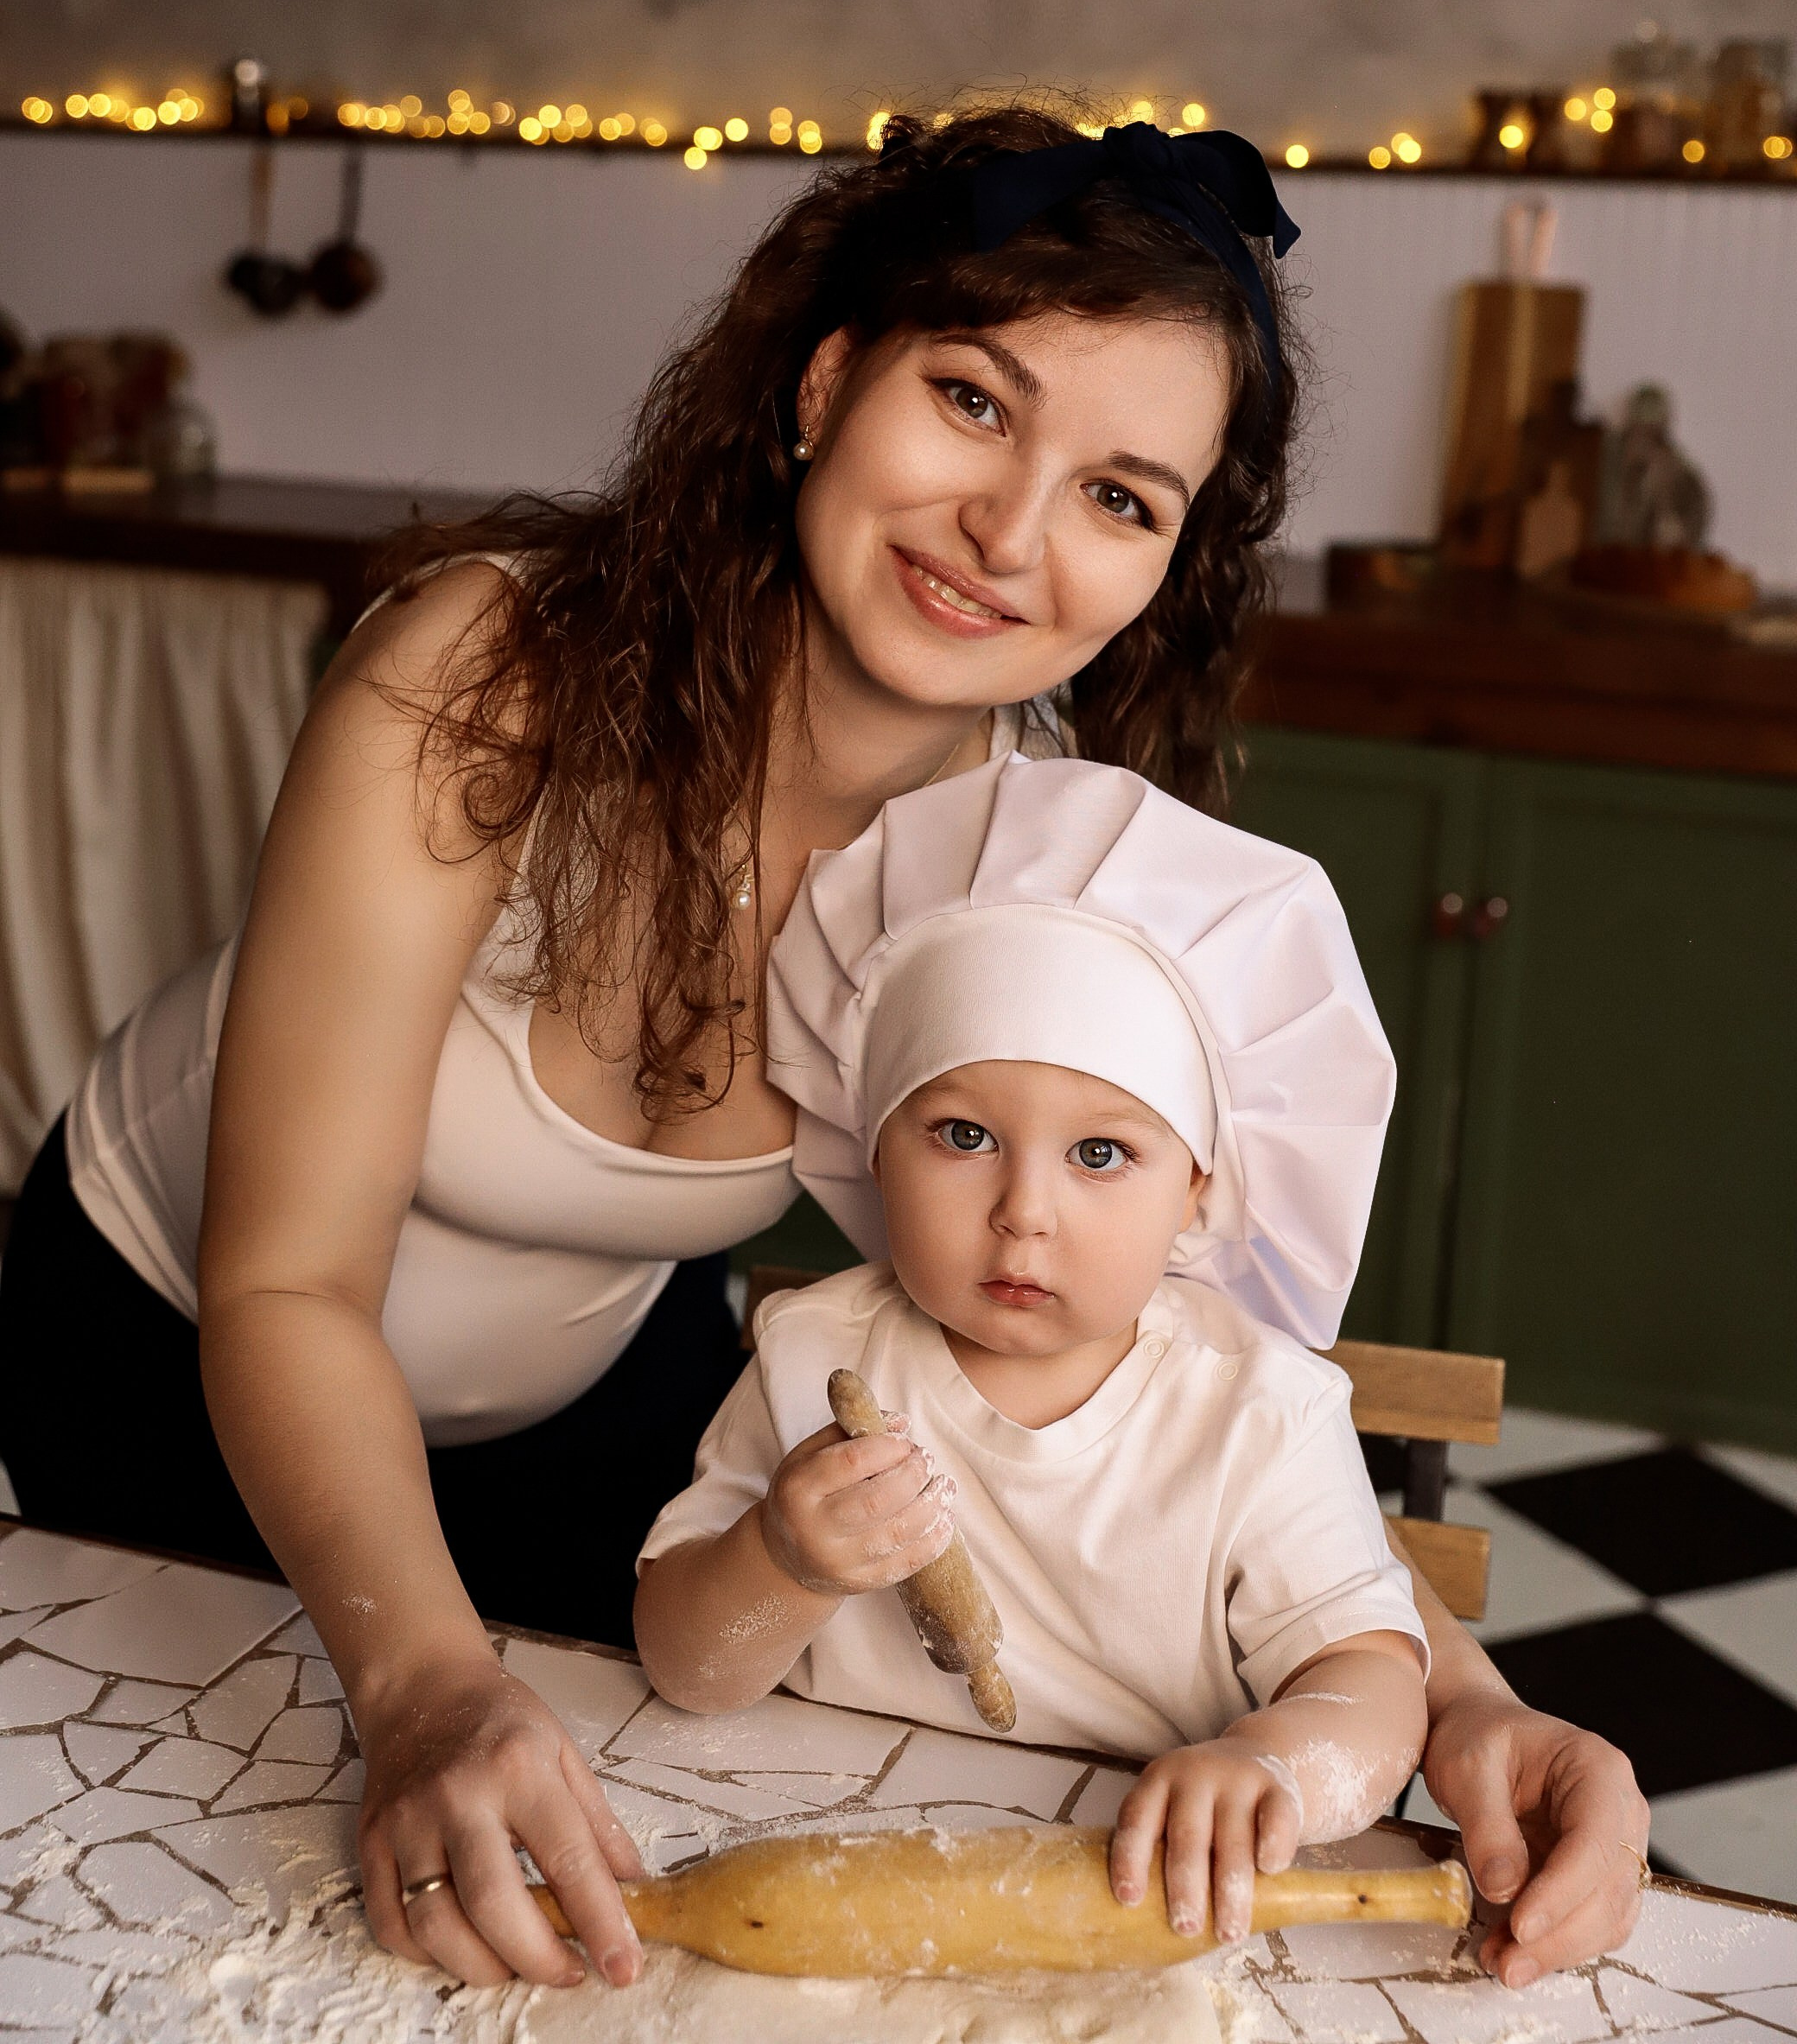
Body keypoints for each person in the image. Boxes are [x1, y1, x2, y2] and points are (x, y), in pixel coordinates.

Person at [0, 106, 1648, 1992]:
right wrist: (428, 1677)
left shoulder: (1017, 867)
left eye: (1120, 496)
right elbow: (286, 1278)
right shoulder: (483, 678)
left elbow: (1168, 1364)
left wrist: (1464, 1713)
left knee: (569, 1922)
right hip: (180, 1341)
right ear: (824, 375)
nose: (1008, 535)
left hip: (590, 1399)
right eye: (970, 402)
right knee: (177, 1904)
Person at [636, 752, 1433, 1946]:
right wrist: (781, 1565)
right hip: (818, 1877)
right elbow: (689, 1669)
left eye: (1101, 1154)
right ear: (872, 1145)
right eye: (962, 1134)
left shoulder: (1256, 1415)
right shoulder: (813, 1358)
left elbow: (1374, 1681)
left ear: (1200, 1191)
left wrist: (1272, 1764)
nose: (1025, 1211)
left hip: (1132, 1903)